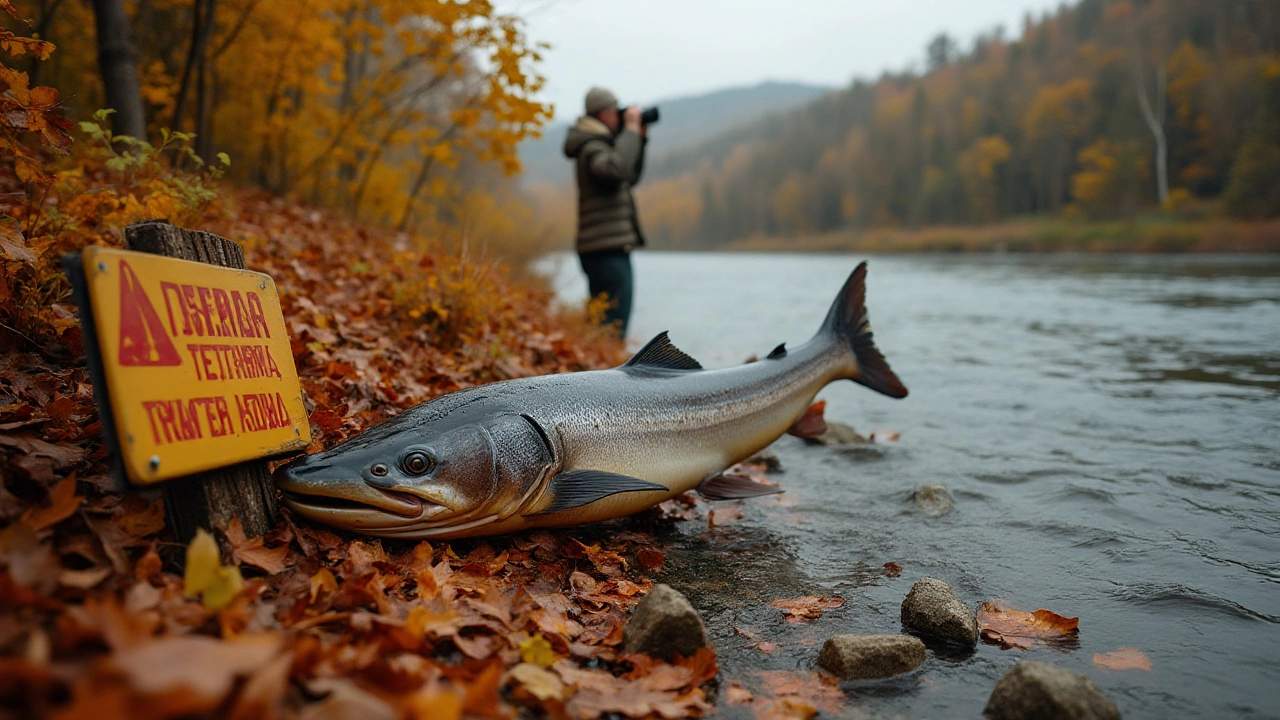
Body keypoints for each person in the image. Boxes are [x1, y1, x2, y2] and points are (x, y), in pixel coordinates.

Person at [563, 86, 648, 336]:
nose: (618, 117)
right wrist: (630, 132)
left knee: (602, 322)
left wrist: (639, 139)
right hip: (605, 250)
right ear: (602, 114)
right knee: (613, 324)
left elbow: (628, 176)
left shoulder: (597, 145)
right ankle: (601, 373)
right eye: (614, 111)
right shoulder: (592, 147)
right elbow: (617, 169)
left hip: (604, 247)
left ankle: (593, 370)